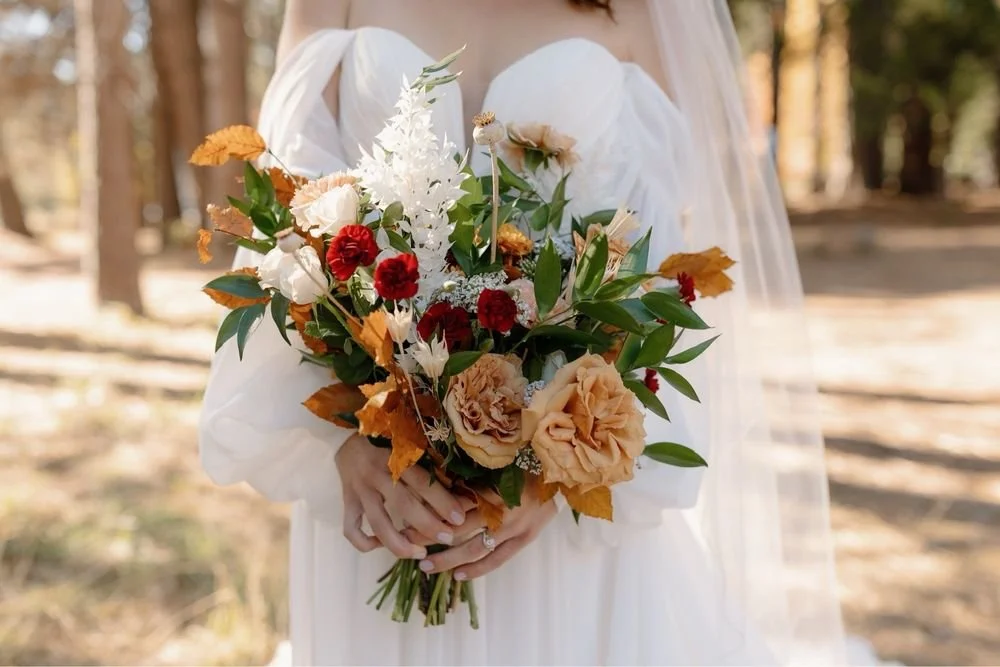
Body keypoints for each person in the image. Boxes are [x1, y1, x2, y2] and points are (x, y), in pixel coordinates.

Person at [200, 1, 851, 664]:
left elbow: (654, 261)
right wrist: (342, 448)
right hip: (382, 501)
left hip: (551, 523)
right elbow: (287, 231)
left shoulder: (635, 11)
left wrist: (554, 471)